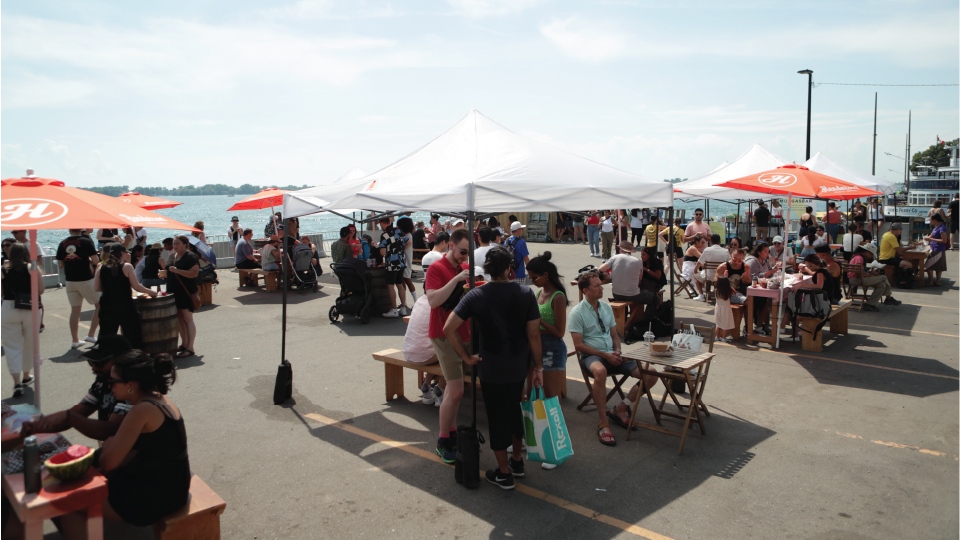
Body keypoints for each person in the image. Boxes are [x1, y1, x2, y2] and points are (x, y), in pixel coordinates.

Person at [442, 247, 542, 489]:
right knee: (514, 411)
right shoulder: (526, 293)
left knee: (497, 417)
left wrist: (465, 356)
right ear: (510, 268)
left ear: (486, 270)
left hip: (490, 366)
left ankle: (504, 473)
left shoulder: (476, 295)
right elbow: (533, 335)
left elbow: (448, 328)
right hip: (518, 364)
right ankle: (517, 461)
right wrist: (538, 366)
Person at [97, 350, 190, 525]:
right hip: (174, 487)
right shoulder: (159, 399)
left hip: (158, 498)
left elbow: (108, 462)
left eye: (113, 381)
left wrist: (109, 444)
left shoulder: (141, 411)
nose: (110, 386)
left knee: (72, 502)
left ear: (131, 385)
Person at [570, 273, 659, 447]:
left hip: (612, 353)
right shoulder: (577, 312)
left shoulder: (606, 307)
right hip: (593, 356)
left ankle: (620, 408)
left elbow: (615, 335)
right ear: (586, 290)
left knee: (651, 374)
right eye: (597, 286)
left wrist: (617, 351)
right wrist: (605, 355)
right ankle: (603, 422)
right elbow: (578, 345)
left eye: (601, 284)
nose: (602, 288)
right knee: (601, 371)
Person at [20, 335, 133, 441]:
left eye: (100, 362)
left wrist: (70, 417)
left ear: (121, 361)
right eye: (91, 362)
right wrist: (37, 427)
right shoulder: (102, 382)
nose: (93, 368)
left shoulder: (131, 387)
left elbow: (111, 430)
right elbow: (79, 411)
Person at [425, 228, 472, 463]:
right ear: (450, 246)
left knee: (457, 391)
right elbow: (433, 301)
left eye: (468, 253)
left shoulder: (464, 268)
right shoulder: (437, 268)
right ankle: (443, 439)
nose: (465, 257)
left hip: (464, 333)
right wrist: (456, 280)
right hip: (443, 335)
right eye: (463, 251)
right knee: (456, 390)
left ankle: (451, 432)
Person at [526, 253, 568, 413]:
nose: (533, 282)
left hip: (552, 348)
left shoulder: (558, 297)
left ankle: (557, 432)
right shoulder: (538, 293)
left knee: (552, 397)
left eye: (535, 278)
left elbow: (560, 332)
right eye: (530, 278)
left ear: (546, 275)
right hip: (536, 346)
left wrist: (537, 319)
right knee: (532, 392)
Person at [96, 243, 157, 348]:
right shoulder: (126, 267)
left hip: (107, 307)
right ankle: (132, 360)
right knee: (133, 337)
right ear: (121, 253)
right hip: (125, 306)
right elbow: (136, 286)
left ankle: (106, 360)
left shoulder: (101, 267)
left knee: (106, 338)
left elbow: (97, 288)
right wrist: (151, 292)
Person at [1, 244, 42, 397]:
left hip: (9, 308)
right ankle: (26, 376)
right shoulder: (33, 268)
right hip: (30, 307)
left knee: (12, 346)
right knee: (30, 343)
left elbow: (1, 292)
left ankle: (16, 382)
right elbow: (41, 290)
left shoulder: (3, 269)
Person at [57, 229, 101, 348]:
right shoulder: (86, 241)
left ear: (69, 230)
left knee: (75, 311)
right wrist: (87, 261)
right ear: (81, 229)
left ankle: (75, 340)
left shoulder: (62, 243)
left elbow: (60, 264)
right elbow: (96, 261)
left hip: (70, 280)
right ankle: (91, 334)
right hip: (85, 278)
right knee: (99, 305)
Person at [597, 242, 658, 329]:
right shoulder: (638, 261)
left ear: (621, 249)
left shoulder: (615, 257)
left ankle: (625, 322)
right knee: (655, 298)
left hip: (616, 294)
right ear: (630, 251)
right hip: (633, 294)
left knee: (624, 296)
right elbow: (639, 281)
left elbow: (600, 269)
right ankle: (645, 323)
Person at [165, 236, 200, 358]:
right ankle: (184, 344)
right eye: (174, 243)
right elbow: (170, 270)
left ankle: (190, 348)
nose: (175, 245)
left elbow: (194, 273)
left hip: (185, 292)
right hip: (174, 292)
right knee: (179, 318)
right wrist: (164, 273)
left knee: (187, 318)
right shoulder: (172, 256)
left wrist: (178, 271)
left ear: (185, 244)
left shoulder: (190, 256)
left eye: (178, 243)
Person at [847, 246, 897, 311]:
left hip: (858, 278)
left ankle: (871, 304)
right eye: (871, 254)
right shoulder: (859, 258)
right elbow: (857, 274)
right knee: (883, 277)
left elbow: (860, 271)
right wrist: (870, 274)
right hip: (856, 279)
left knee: (882, 285)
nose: (871, 256)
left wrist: (869, 273)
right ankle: (889, 298)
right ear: (867, 252)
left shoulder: (858, 256)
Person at [744, 242, 778, 335]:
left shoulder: (765, 261)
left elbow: (771, 273)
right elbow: (755, 277)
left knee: (767, 302)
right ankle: (749, 327)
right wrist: (771, 271)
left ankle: (759, 326)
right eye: (765, 251)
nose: (767, 253)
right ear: (759, 252)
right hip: (749, 289)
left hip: (762, 289)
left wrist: (774, 270)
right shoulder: (753, 261)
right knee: (763, 301)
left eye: (768, 251)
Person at [379, 224, 408, 317]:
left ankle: (394, 309)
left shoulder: (385, 235)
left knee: (391, 286)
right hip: (401, 261)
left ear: (383, 224)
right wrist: (401, 251)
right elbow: (409, 243)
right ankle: (403, 308)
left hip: (392, 263)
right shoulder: (399, 231)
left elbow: (383, 252)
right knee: (400, 285)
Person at [694, 234, 730, 301]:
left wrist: (695, 270)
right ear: (720, 242)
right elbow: (729, 263)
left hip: (709, 276)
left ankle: (701, 295)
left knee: (695, 276)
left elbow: (699, 262)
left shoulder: (707, 250)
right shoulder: (726, 251)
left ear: (711, 242)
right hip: (721, 276)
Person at [397, 217, 418, 309]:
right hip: (406, 260)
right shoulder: (408, 234)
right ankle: (404, 302)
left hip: (405, 260)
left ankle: (415, 302)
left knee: (407, 281)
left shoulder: (407, 236)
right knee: (403, 282)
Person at [923, 213, 948, 285]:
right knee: (937, 266)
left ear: (935, 220)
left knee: (928, 265)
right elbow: (930, 236)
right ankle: (937, 281)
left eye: (930, 219)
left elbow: (944, 240)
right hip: (934, 248)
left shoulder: (942, 228)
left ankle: (931, 281)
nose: (930, 221)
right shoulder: (935, 227)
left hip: (938, 249)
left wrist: (931, 239)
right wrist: (925, 239)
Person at [714, 277, 736, 343]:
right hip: (726, 308)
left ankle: (717, 337)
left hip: (718, 308)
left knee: (718, 324)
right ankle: (724, 337)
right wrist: (729, 286)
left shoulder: (716, 290)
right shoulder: (728, 291)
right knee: (725, 324)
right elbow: (735, 292)